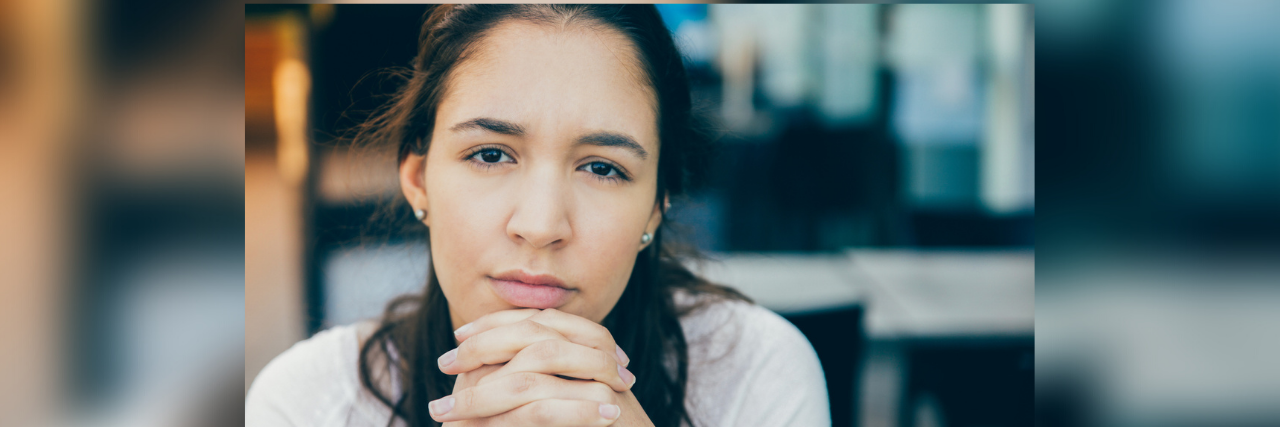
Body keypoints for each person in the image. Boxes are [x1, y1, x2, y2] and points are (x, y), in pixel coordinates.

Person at [246, 5, 829, 426]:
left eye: (602, 168)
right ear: (419, 180)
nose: (543, 223)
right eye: (491, 154)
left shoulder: (755, 374)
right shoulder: (311, 402)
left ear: (657, 204)